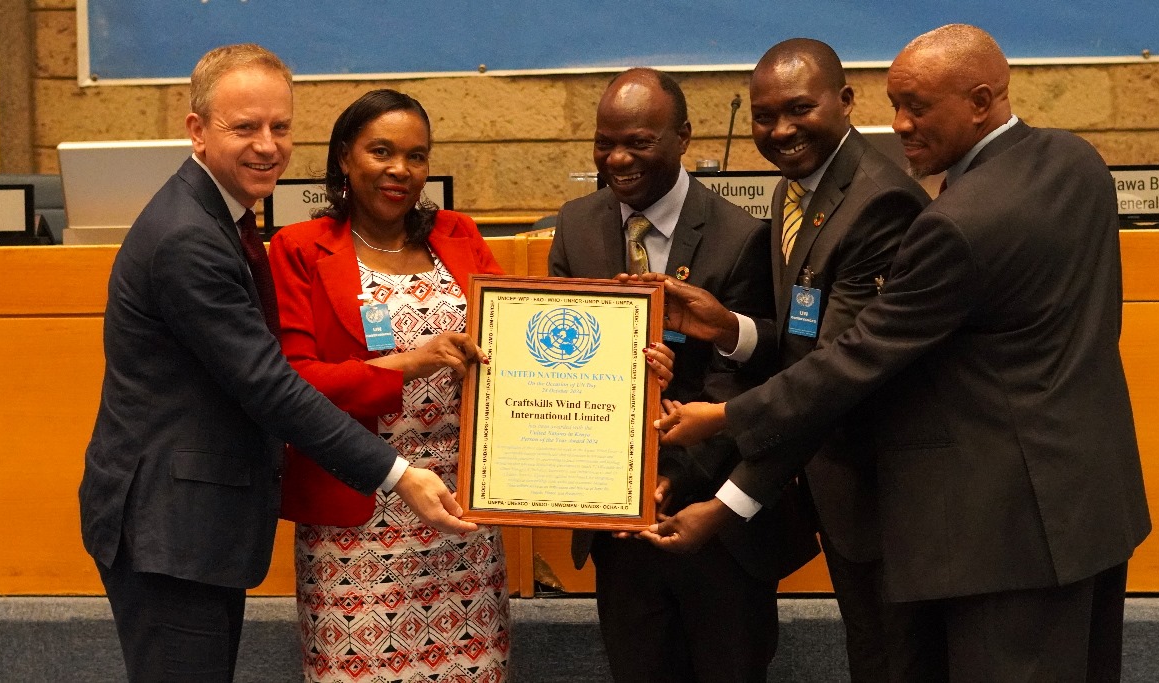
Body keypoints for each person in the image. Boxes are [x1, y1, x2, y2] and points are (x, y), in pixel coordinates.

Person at [647, 24, 1151, 681]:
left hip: (1004, 535)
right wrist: (734, 329)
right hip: (1092, 501)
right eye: (895, 103)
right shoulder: (1076, 161)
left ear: (980, 100)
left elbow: (856, 359)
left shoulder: (955, 225)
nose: (901, 124)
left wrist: (722, 419)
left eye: (917, 106)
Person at [79, 46, 474, 683]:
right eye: (245, 128)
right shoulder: (188, 237)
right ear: (197, 130)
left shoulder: (224, 218)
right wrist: (398, 474)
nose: (267, 145)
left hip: (193, 521)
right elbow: (268, 384)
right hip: (169, 526)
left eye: (280, 127)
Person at [635, 39, 931, 681]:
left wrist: (725, 469)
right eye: (765, 115)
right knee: (872, 657)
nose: (780, 129)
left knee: (897, 662)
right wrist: (728, 330)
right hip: (836, 487)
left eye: (800, 108)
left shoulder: (881, 202)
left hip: (893, 498)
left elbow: (834, 376)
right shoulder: (793, 193)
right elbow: (800, 342)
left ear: (846, 100)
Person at [548, 67, 811, 683]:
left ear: (683, 137)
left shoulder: (742, 236)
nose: (617, 158)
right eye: (603, 141)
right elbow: (559, 366)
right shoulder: (577, 224)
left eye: (637, 142)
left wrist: (667, 475)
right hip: (616, 527)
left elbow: (749, 377)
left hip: (715, 525)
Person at [266, 89, 510, 682]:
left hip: (460, 515)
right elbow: (291, 383)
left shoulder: (457, 234)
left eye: (416, 156)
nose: (401, 169)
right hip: (359, 511)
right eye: (381, 151)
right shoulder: (299, 249)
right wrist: (405, 364)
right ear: (344, 158)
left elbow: (516, 336)